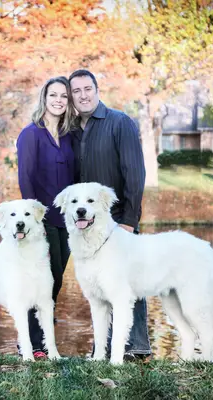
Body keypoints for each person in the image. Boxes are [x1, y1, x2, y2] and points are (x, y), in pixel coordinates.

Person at [68, 69, 151, 361]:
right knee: (99, 288)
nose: (83, 95)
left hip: (118, 222)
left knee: (129, 282)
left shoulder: (120, 123)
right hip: (86, 223)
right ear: (71, 96)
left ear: (97, 89)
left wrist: (130, 220)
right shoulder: (72, 130)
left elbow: (135, 174)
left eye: (87, 88)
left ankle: (137, 346)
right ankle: (101, 348)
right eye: (76, 91)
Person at [16, 76, 76, 359]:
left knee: (57, 280)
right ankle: (31, 343)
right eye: (54, 95)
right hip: (42, 220)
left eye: (64, 96)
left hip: (68, 221)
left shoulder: (68, 136)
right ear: (44, 98)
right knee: (43, 280)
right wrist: (32, 220)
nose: (59, 100)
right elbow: (25, 179)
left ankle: (42, 340)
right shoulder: (31, 134)